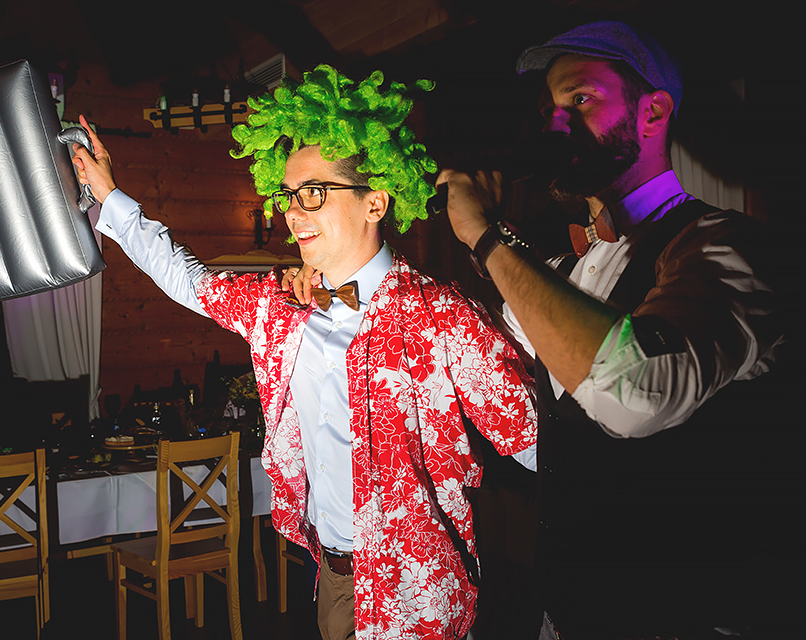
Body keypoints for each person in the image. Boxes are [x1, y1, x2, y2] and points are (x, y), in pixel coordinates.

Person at [73, 65, 537, 640]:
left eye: (314, 193)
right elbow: (187, 279)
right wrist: (109, 196)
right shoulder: (280, 308)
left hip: (419, 592)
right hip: (333, 580)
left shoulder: (440, 314)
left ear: (375, 203)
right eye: (289, 194)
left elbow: (535, 440)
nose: (293, 212)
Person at [436, 21, 791, 640]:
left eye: (580, 99)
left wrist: (485, 237)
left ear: (653, 112)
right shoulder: (566, 270)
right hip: (568, 609)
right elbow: (497, 347)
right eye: (548, 111)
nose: (556, 126)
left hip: (683, 618)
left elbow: (636, 393)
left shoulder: (724, 246)